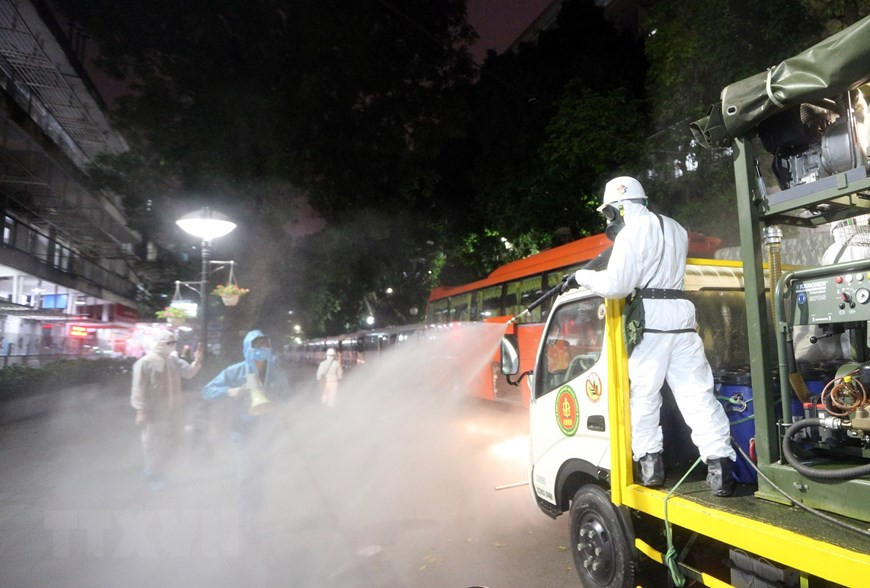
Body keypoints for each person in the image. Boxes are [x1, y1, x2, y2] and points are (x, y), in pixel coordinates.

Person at [562, 176, 737, 496]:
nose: (608, 221)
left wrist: (581, 277)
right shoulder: (676, 228)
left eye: (608, 214)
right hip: (683, 318)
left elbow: (617, 286)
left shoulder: (631, 234)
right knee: (698, 395)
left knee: (645, 396)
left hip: (652, 321)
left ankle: (650, 465)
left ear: (617, 209)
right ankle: (720, 468)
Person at [201, 330, 287, 518]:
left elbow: (285, 396)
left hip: (267, 435)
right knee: (246, 478)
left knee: (260, 479)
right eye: (256, 346)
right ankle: (245, 524)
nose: (261, 350)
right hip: (243, 434)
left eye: (265, 345)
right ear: (248, 349)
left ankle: (256, 513)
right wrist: (229, 391)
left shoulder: (275, 372)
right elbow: (207, 391)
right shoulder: (235, 371)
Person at [130, 331, 203, 489]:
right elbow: (138, 389)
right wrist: (141, 410)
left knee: (175, 440)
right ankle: (152, 474)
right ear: (159, 342)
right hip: (154, 412)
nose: (172, 346)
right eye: (169, 342)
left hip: (173, 411)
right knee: (153, 443)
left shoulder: (173, 361)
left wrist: (197, 360)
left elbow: (188, 373)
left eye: (173, 343)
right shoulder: (145, 363)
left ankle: (159, 471)